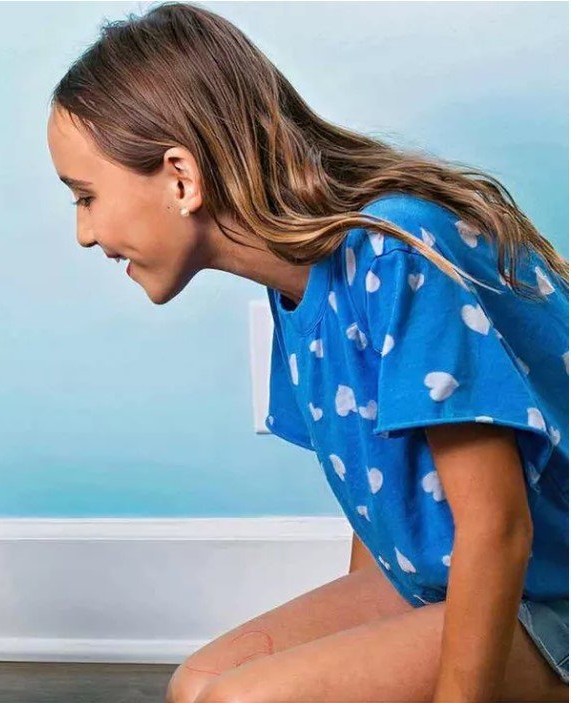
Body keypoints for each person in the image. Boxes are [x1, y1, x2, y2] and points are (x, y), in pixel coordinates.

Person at [45, 3, 569, 702]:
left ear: (181, 178)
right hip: (452, 579)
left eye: (85, 197)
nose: (83, 233)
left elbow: (497, 527)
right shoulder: (293, 285)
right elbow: (380, 494)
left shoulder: (395, 252)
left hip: (549, 597)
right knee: (197, 685)